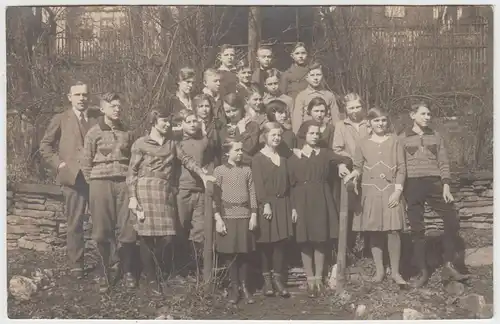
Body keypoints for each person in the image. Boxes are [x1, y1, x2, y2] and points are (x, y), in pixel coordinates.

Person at [127, 104, 214, 295]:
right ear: (153, 122)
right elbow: (132, 173)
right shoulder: (140, 144)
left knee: (167, 237)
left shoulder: (171, 144)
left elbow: (187, 160)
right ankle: (152, 279)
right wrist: (133, 197)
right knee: (146, 237)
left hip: (164, 191)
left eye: (169, 121)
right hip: (145, 190)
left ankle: (156, 268)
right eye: (164, 121)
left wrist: (203, 174)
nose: (167, 124)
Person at [40, 81, 117, 279]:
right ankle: (76, 264)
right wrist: (59, 164)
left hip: (97, 177)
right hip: (73, 179)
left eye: (85, 95)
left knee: (103, 220)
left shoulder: (97, 118)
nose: (82, 98)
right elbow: (45, 146)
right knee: (74, 223)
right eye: (77, 95)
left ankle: (108, 263)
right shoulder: (61, 119)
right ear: (69, 97)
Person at [399, 102, 468, 288]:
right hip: (412, 185)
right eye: (423, 114)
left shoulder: (436, 136)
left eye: (429, 114)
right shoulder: (402, 138)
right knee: (417, 228)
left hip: (435, 184)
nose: (427, 117)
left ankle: (448, 265)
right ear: (412, 115)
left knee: (452, 219)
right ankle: (422, 271)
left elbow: (444, 162)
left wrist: (446, 186)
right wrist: (400, 190)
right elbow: (400, 167)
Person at [343, 107, 408, 286]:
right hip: (370, 192)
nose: (380, 124)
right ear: (369, 123)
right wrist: (353, 174)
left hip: (390, 191)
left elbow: (402, 168)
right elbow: (358, 166)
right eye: (376, 121)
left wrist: (397, 191)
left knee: (393, 230)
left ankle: (395, 272)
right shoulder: (362, 143)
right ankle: (379, 271)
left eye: (383, 120)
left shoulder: (395, 141)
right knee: (374, 231)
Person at [288, 122, 352, 298]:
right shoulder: (294, 158)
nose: (315, 136)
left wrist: (340, 165)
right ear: (304, 135)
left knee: (320, 239)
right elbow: (290, 185)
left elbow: (345, 159)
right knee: (305, 239)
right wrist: (293, 207)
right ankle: (310, 280)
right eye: (311, 133)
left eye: (317, 133)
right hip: (301, 200)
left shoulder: (324, 153)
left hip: (321, 198)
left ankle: (318, 278)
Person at [81, 92, 136, 293]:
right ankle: (105, 272)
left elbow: (133, 160)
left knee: (128, 229)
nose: (117, 109)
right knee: (102, 230)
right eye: (112, 106)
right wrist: (96, 184)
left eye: (119, 106)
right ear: (103, 109)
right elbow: (86, 164)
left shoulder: (128, 133)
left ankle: (128, 270)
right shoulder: (93, 133)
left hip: (124, 183)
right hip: (100, 184)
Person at [174, 108, 218, 282]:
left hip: (200, 191)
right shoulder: (176, 142)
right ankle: (178, 270)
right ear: (181, 124)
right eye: (189, 121)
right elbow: (184, 160)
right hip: (182, 190)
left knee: (199, 231)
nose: (193, 124)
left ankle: (195, 269)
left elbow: (210, 162)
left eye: (195, 121)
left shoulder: (204, 141)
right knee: (180, 229)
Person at [252, 122, 295, 298]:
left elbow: (290, 185)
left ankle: (278, 280)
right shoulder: (257, 158)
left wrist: (292, 207)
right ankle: (267, 281)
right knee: (265, 243)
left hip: (283, 203)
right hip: (266, 205)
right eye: (273, 135)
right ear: (265, 137)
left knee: (280, 242)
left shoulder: (284, 158)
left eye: (279, 135)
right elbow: (258, 184)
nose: (277, 138)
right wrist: (265, 204)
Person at [213, 140, 258, 304]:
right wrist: (218, 218)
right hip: (227, 216)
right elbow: (215, 197)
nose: (240, 153)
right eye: (237, 150)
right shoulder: (219, 171)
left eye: (241, 150)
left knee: (244, 252)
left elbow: (252, 193)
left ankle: (245, 286)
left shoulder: (247, 170)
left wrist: (253, 215)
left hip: (245, 215)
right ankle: (234, 287)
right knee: (230, 253)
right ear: (227, 153)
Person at [332, 92, 372, 258]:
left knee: (369, 208)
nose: (355, 111)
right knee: (349, 210)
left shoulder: (369, 123)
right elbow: (337, 148)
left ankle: (370, 248)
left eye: (358, 107)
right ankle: (349, 249)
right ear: (345, 110)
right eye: (351, 108)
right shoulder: (341, 126)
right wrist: (347, 161)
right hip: (351, 171)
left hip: (370, 170)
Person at [291, 61, 340, 134]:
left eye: (318, 75)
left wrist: (338, 134)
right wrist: (297, 136)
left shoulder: (329, 95)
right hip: (308, 133)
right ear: (307, 77)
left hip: (326, 132)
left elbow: (336, 118)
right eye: (312, 75)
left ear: (322, 76)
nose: (316, 78)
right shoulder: (302, 96)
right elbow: (297, 119)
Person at [218, 93, 260, 165]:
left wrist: (242, 131)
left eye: (234, 110)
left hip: (247, 167)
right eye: (228, 112)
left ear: (241, 108)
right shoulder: (224, 129)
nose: (231, 114)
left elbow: (249, 148)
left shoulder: (252, 126)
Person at [193, 94, 223, 167]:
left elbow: (218, 146)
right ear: (195, 108)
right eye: (201, 106)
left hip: (213, 164)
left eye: (207, 106)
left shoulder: (217, 124)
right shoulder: (191, 124)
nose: (204, 109)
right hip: (195, 163)